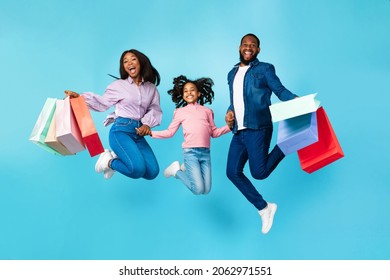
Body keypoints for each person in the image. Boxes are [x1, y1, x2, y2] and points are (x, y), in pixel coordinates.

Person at [225, 34, 298, 234]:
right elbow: (235, 100)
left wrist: (299, 102)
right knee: (232, 172)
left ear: (258, 50)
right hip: (239, 129)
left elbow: (280, 91)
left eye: (253, 45)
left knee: (259, 173)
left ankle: (287, 143)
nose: (248, 48)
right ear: (239, 47)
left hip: (258, 127)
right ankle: (264, 208)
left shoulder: (265, 69)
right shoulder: (232, 73)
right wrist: (229, 113)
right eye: (245, 44)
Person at [65, 49, 162, 180]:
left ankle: (116, 157)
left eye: (133, 59)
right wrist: (80, 98)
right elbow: (102, 102)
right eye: (125, 61)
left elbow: (155, 110)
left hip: (138, 133)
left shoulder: (151, 89)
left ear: (140, 61)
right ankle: (109, 162)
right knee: (137, 170)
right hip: (120, 131)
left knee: (152, 172)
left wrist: (147, 124)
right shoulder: (118, 85)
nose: (129, 63)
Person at [150, 75, 231, 194]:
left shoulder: (207, 111)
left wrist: (230, 127)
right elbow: (170, 132)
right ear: (183, 95)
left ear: (198, 93)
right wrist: (151, 133)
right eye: (185, 91)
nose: (189, 92)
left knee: (206, 190)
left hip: (205, 153)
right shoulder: (180, 112)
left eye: (192, 89)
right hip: (190, 152)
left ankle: (186, 166)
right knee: (198, 190)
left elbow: (214, 132)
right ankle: (176, 171)